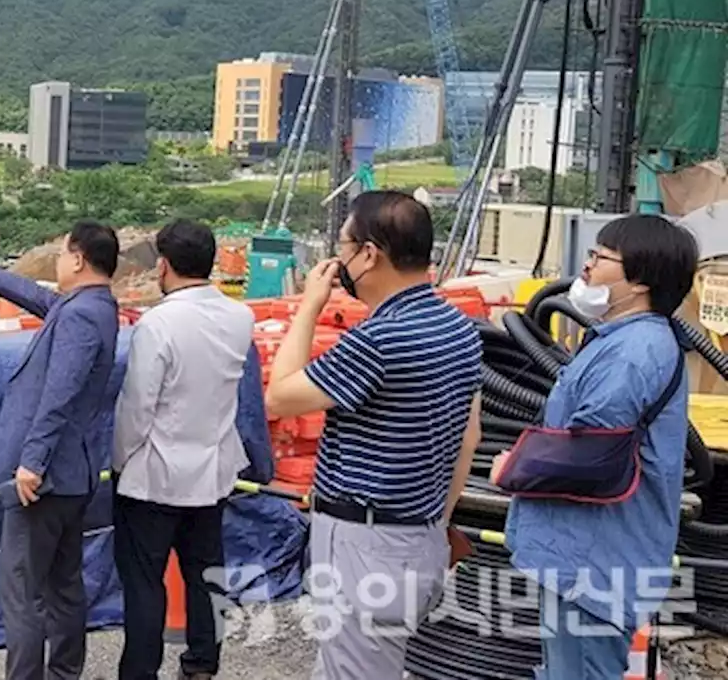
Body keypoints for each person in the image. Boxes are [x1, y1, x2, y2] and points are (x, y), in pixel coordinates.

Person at [263, 191, 483, 680]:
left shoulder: (379, 340)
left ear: (368, 254)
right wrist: (433, 523)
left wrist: (310, 306)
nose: (337, 259)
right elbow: (469, 437)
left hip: (367, 543)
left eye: (343, 246)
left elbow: (279, 396)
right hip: (418, 536)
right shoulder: (458, 328)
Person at [495, 215, 699, 679]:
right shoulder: (624, 340)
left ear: (641, 279)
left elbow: (589, 455)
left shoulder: (633, 353)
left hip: (596, 562)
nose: (585, 268)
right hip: (589, 558)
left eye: (600, 258)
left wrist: (514, 468)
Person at [0, 220, 121, 680]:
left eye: (61, 253)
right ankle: (63, 672)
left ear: (78, 259)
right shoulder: (92, 307)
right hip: (71, 474)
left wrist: (31, 463)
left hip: (45, 479)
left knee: (21, 593)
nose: (57, 262)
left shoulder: (79, 316)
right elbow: (38, 298)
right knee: (63, 586)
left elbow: (60, 394)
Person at [111, 219, 256, 680]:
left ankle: (140, 671)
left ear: (164, 266)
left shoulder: (159, 323)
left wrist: (119, 460)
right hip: (212, 469)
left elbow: (138, 406)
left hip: (155, 474)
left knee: (144, 582)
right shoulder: (240, 317)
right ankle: (202, 663)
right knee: (205, 575)